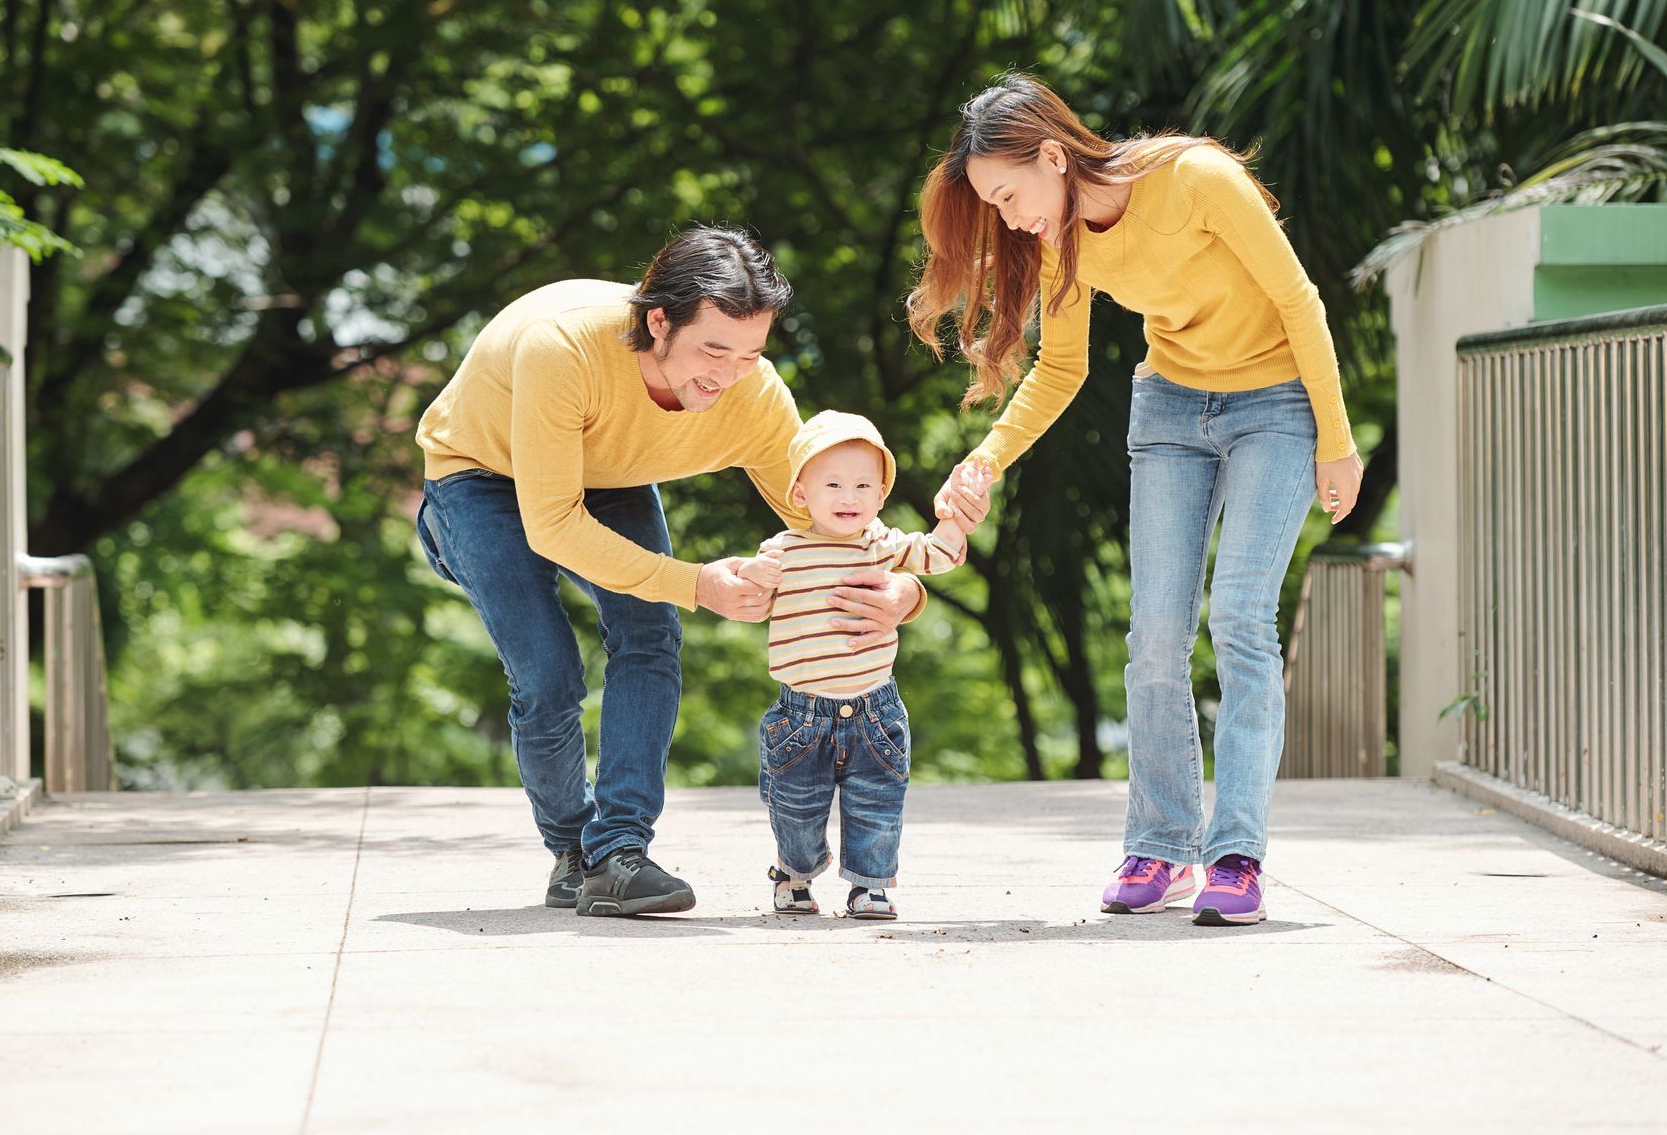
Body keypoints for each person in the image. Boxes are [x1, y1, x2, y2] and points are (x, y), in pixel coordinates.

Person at [908, 74, 1364, 926]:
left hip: (1279, 405)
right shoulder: (1058, 242)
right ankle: (1160, 843)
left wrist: (1337, 441)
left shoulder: (1196, 180)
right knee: (1156, 630)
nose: (1010, 218)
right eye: (994, 205)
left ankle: (1236, 856)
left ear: (1052, 155)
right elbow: (1062, 368)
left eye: (1010, 194)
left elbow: (1300, 300)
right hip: (1170, 410)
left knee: (1239, 615)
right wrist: (986, 460)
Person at [413, 226, 945, 918]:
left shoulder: (752, 395)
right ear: (657, 321)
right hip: (483, 473)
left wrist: (904, 591)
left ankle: (618, 855)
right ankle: (573, 849)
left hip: (612, 472)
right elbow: (553, 524)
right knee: (547, 675)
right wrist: (698, 583)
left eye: (750, 353)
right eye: (713, 349)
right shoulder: (563, 348)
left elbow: (834, 517)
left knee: (649, 636)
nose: (726, 375)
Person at [728, 412, 991, 920]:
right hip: (799, 716)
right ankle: (794, 871)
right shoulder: (782, 550)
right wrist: (750, 573)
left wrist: (957, 516)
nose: (849, 497)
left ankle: (870, 885)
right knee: (797, 809)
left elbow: (940, 552)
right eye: (833, 484)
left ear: (880, 497)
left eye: (863, 485)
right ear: (801, 493)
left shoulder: (880, 543)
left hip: (875, 709)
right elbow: (745, 591)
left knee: (877, 802)